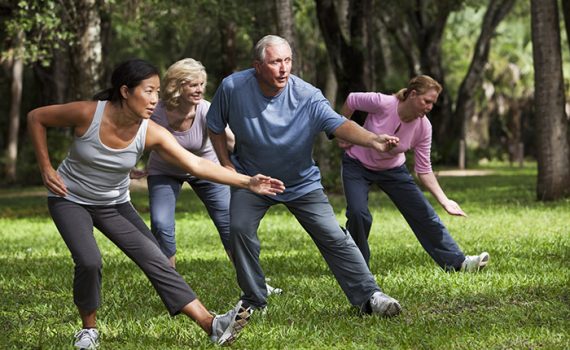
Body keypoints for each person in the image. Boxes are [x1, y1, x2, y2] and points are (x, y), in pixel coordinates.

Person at [27, 58, 285, 348]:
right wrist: (46, 168)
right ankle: (89, 330)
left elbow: (196, 164)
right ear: (125, 91)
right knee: (89, 261)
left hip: (114, 204)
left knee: (157, 261)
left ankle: (211, 325)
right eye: (148, 91)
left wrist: (248, 181)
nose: (154, 100)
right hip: (70, 198)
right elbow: (37, 117)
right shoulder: (89, 113)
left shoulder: (150, 131)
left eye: (157, 92)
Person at [207, 34, 402, 317]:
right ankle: (254, 300)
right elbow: (214, 125)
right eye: (275, 62)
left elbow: (337, 123)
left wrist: (373, 140)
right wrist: (226, 163)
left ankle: (370, 297)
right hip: (253, 180)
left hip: (300, 182)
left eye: (288, 61)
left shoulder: (307, 95)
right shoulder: (233, 87)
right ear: (257, 66)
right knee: (239, 229)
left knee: (334, 236)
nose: (284, 68)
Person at [142, 58, 282, 294]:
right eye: (192, 85)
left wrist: (260, 159)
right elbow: (135, 139)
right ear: (177, 86)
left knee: (230, 225)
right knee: (161, 224)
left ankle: (257, 284)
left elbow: (231, 140)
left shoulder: (206, 109)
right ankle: (173, 290)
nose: (199, 90)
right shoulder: (157, 113)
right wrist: (128, 167)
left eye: (202, 84)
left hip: (206, 169)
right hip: (164, 171)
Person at [338, 75, 489, 272]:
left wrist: (445, 201)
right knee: (358, 213)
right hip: (357, 164)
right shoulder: (384, 103)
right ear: (413, 94)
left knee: (424, 214)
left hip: (393, 171)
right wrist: (342, 131)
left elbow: (424, 170)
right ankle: (357, 268)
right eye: (427, 101)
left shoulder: (424, 127)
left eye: (432, 103)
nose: (429, 107)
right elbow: (351, 100)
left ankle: (459, 263)